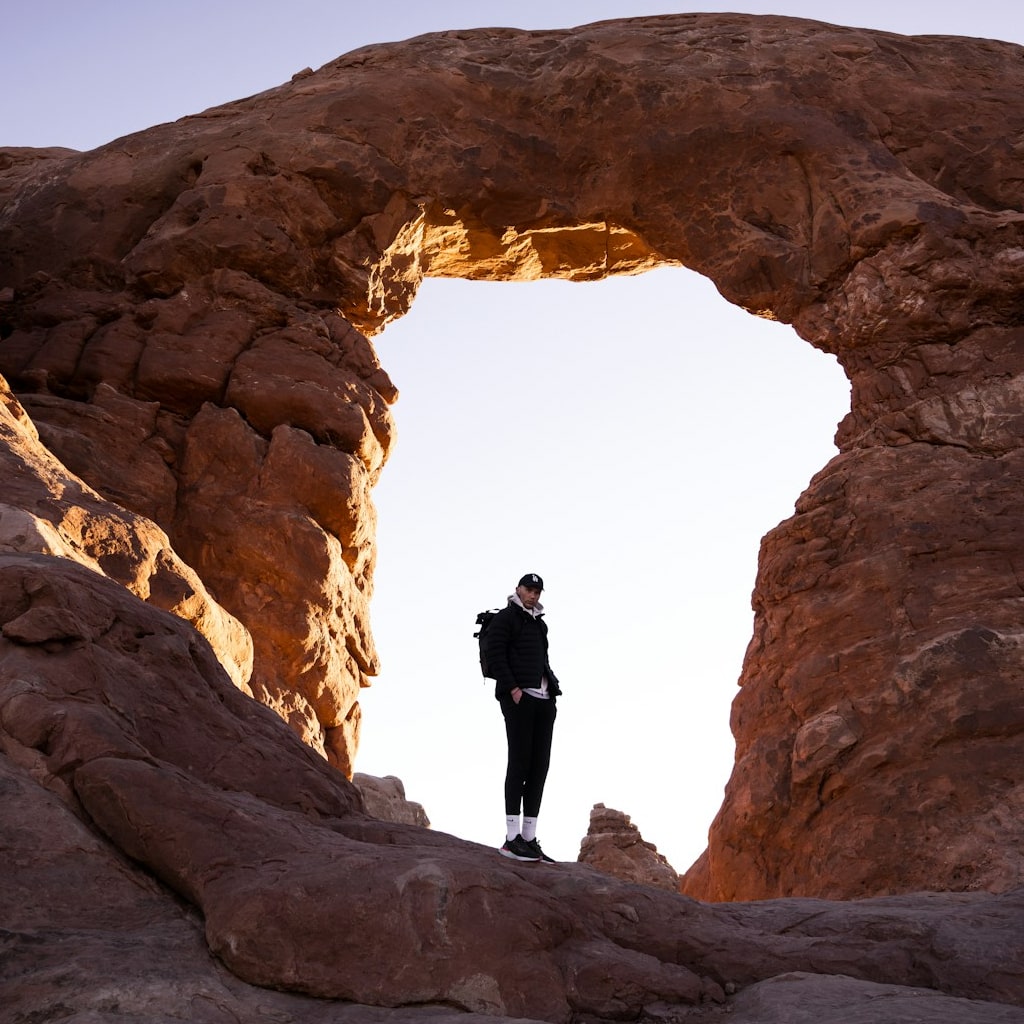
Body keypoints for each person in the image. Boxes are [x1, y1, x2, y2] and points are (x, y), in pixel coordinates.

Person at [483, 572, 562, 863]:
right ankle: (511, 838)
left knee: (539, 767)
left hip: (544, 700)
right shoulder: (506, 618)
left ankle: (529, 839)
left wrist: (551, 693)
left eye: (537, 592)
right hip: (519, 698)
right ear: (518, 589)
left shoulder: (540, 623)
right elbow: (496, 654)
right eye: (529, 590)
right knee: (519, 763)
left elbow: (542, 659)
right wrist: (514, 689)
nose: (533, 595)